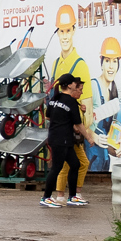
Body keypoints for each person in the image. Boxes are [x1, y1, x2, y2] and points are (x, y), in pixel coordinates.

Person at [40, 74, 97, 209]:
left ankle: (72, 197)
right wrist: (89, 138)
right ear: (70, 85)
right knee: (56, 168)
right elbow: (79, 124)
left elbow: (48, 117)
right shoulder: (70, 101)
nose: (75, 84)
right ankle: (46, 197)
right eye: (73, 83)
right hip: (62, 139)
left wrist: (62, 121)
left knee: (75, 164)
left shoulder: (55, 99)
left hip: (56, 137)